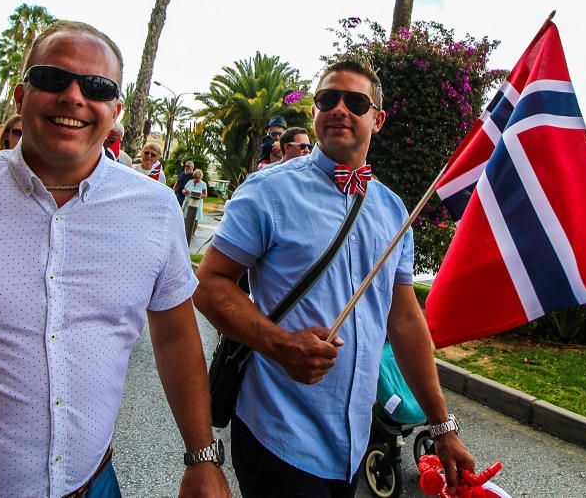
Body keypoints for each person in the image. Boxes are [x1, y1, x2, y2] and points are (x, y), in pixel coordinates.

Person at [0, 20, 229, 498]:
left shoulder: (154, 210)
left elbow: (176, 334)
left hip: (91, 484)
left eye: (96, 87)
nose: (74, 96)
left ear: (114, 111)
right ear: (20, 96)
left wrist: (201, 458)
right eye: (54, 79)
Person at [194, 57, 474, 497]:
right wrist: (279, 344)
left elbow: (403, 320)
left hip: (354, 445)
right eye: (328, 98)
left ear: (377, 120)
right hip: (278, 434)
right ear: (315, 111)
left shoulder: (393, 211)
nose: (340, 108)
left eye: (355, 102)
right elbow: (210, 283)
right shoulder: (269, 191)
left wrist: (443, 425)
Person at [181, 168, 208, 240]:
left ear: (201, 177)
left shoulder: (203, 184)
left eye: (198, 178)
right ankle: (184, 232)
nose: (196, 179)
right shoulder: (190, 182)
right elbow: (183, 189)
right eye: (195, 177)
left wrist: (197, 195)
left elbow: (205, 195)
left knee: (195, 219)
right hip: (187, 203)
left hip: (197, 204)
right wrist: (184, 192)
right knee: (185, 217)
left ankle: (192, 233)